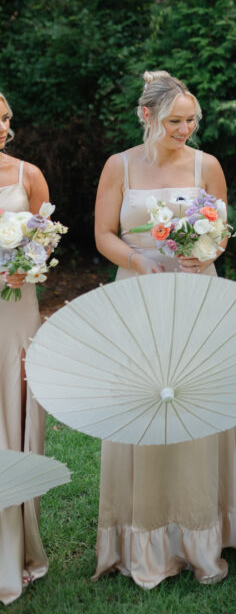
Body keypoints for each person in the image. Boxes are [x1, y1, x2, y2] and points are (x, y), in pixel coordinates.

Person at [93, 70, 236, 588]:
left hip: (197, 292)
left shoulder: (208, 165)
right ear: (146, 115)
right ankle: (142, 533)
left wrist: (206, 252)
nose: (186, 129)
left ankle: (203, 532)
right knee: (143, 404)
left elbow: (220, 231)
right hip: (137, 292)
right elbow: (103, 234)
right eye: (175, 120)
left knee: (196, 402)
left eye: (192, 120)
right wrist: (137, 260)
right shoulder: (120, 166)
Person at [0, 91, 50, 605]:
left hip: (16, 306)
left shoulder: (27, 175)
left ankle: (19, 546)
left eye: (7, 118)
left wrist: (30, 261)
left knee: (16, 415)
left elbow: (46, 239)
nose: (2, 126)